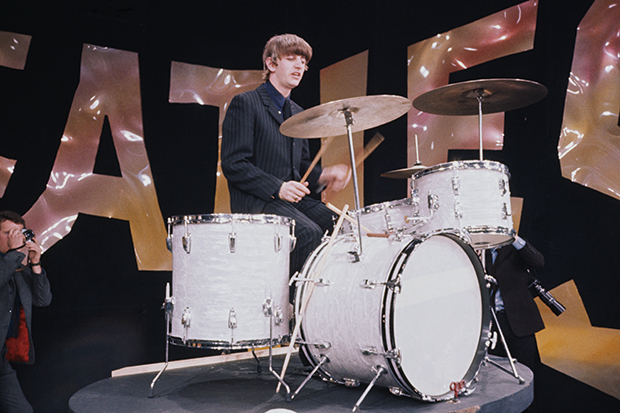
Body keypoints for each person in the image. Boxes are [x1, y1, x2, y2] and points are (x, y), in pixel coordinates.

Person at [221, 33, 349, 276]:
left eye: (303, 61)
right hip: (258, 201)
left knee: (341, 224)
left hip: (289, 202)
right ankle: (288, 298)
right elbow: (234, 163)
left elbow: (300, 166)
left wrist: (324, 175)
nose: (299, 66)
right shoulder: (246, 103)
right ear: (271, 64)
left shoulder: (298, 113)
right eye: (291, 58)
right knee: (307, 233)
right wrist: (278, 187)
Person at [485, 234, 544, 413]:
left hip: (519, 323)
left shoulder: (514, 248)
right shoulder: (481, 250)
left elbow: (538, 261)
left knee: (526, 378)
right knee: (496, 378)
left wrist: (513, 238)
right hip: (492, 324)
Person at [0, 211, 52, 413]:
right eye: (7, 233)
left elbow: (42, 300)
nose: (14, 238)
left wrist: (36, 264)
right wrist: (15, 253)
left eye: (18, 233)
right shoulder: (11, 262)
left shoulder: (17, 267)